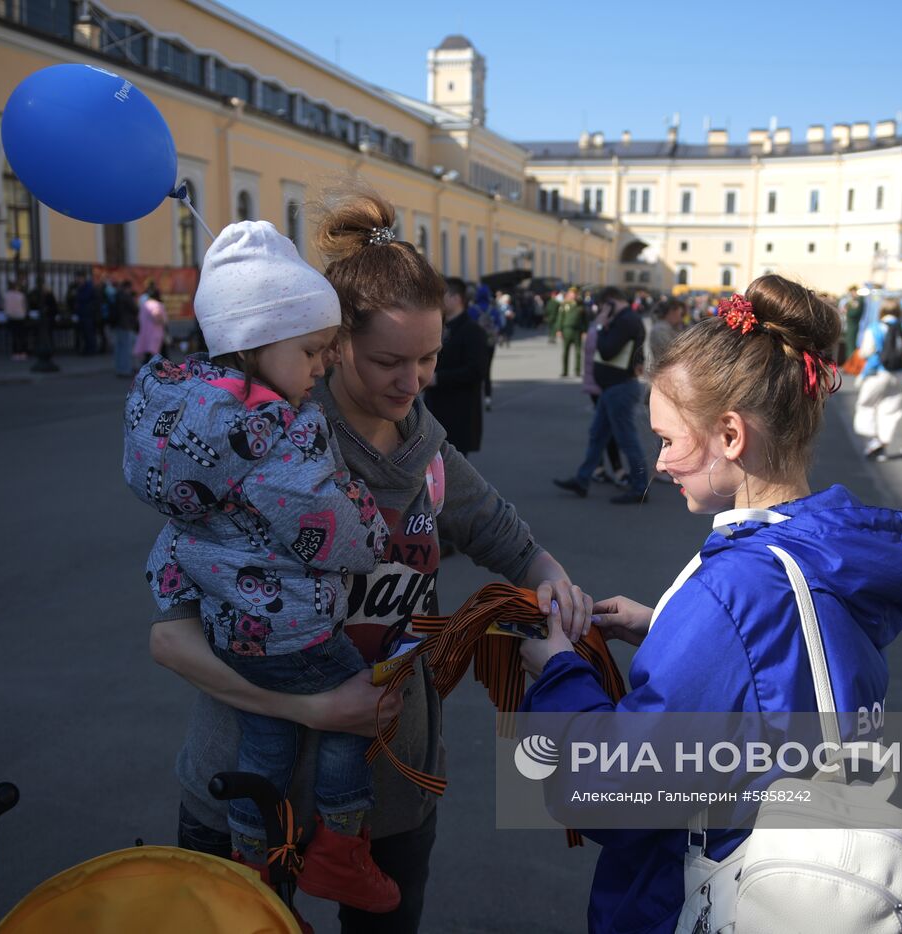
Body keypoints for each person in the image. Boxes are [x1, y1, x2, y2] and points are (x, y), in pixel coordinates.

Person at [145, 187, 594, 934]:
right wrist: (310, 707)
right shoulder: (263, 444)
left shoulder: (426, 446)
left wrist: (555, 585)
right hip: (249, 791)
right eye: (389, 359)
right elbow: (170, 638)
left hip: (389, 789)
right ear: (334, 342)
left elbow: (509, 540)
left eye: (428, 358)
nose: (412, 382)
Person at [519, 275, 902, 934]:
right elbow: (784, 679)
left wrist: (559, 672)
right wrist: (663, 629)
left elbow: (610, 793)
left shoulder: (734, 590)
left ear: (732, 436)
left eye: (667, 438)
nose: (659, 462)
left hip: (702, 894)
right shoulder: (822, 550)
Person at [124, 220, 402, 912]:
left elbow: (181, 538)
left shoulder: (189, 423)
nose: (319, 367)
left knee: (268, 741)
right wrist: (372, 528)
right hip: (294, 627)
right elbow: (330, 527)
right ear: (254, 344)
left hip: (233, 629)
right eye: (310, 351)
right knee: (351, 710)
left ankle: (251, 861)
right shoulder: (273, 432)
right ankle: (342, 845)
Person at [553, 286, 650, 504]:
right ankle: (582, 479)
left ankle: (640, 486)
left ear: (611, 302)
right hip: (613, 388)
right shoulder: (626, 319)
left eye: (603, 306)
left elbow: (607, 350)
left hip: (619, 388)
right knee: (598, 435)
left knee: (626, 439)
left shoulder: (625, 320)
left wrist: (600, 325)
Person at [424, 276, 486, 455]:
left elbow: (476, 370)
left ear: (456, 298)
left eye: (441, 295)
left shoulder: (473, 331)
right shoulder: (441, 327)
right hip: (435, 408)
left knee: (453, 469)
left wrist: (438, 378)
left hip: (459, 412)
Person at [852, 297, 902, 461]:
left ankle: (873, 439)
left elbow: (866, 351)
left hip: (876, 373)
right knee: (891, 410)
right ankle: (883, 446)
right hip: (898, 374)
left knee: (867, 405)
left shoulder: (875, 328)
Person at [581, 299, 626, 488]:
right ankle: (616, 471)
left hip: (599, 384)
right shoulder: (598, 330)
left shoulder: (598, 329)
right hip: (599, 386)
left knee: (601, 431)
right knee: (608, 431)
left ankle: (598, 470)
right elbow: (604, 353)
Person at [468, 284, 500, 411]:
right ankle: (488, 398)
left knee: (475, 370)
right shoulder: (493, 309)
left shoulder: (472, 310)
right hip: (490, 343)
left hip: (475, 344)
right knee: (487, 371)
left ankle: (474, 399)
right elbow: (499, 324)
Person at [646, 298, 685, 371]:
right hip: (666, 373)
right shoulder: (660, 330)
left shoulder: (670, 327)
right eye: (680, 314)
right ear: (672, 312)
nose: (681, 319)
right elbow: (670, 355)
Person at [557, 287, 587, 378]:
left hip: (577, 330)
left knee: (578, 351)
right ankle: (565, 371)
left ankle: (577, 371)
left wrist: (585, 331)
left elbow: (585, 320)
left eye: (575, 294)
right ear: (568, 295)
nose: (573, 295)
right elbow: (560, 318)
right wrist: (559, 329)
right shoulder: (564, 305)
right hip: (567, 329)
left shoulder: (580, 305)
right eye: (571, 293)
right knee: (565, 351)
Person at [111, 279, 138, 377]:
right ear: (128, 288)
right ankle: (126, 370)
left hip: (117, 324)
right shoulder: (126, 296)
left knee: (119, 349)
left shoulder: (116, 295)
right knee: (126, 349)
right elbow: (135, 309)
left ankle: (119, 369)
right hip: (126, 325)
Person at [134, 286, 166, 365]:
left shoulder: (144, 305)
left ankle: (144, 370)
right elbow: (157, 316)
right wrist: (162, 320)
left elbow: (139, 318)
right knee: (156, 355)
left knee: (147, 354)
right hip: (156, 333)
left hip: (144, 332)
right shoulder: (157, 305)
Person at [2, 278, 27, 360]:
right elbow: (24, 306)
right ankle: (23, 352)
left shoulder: (6, 295)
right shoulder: (21, 295)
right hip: (20, 316)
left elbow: (3, 306)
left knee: (14, 335)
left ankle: (15, 353)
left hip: (11, 316)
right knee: (21, 335)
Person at [841, 285, 865, 358]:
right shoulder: (853, 300)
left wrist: (847, 311)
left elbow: (854, 313)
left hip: (853, 326)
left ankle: (850, 363)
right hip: (850, 325)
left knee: (851, 346)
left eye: (851, 292)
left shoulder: (858, 300)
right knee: (849, 344)